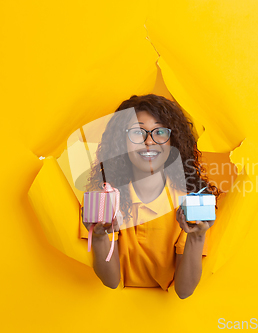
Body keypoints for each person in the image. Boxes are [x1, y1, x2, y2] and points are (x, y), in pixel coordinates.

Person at [83, 94, 220, 299]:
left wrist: (197, 236)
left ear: (173, 141)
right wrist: (100, 237)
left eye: (160, 132)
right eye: (138, 132)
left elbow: (184, 291)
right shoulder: (105, 198)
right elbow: (111, 281)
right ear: (122, 142)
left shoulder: (189, 202)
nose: (149, 141)